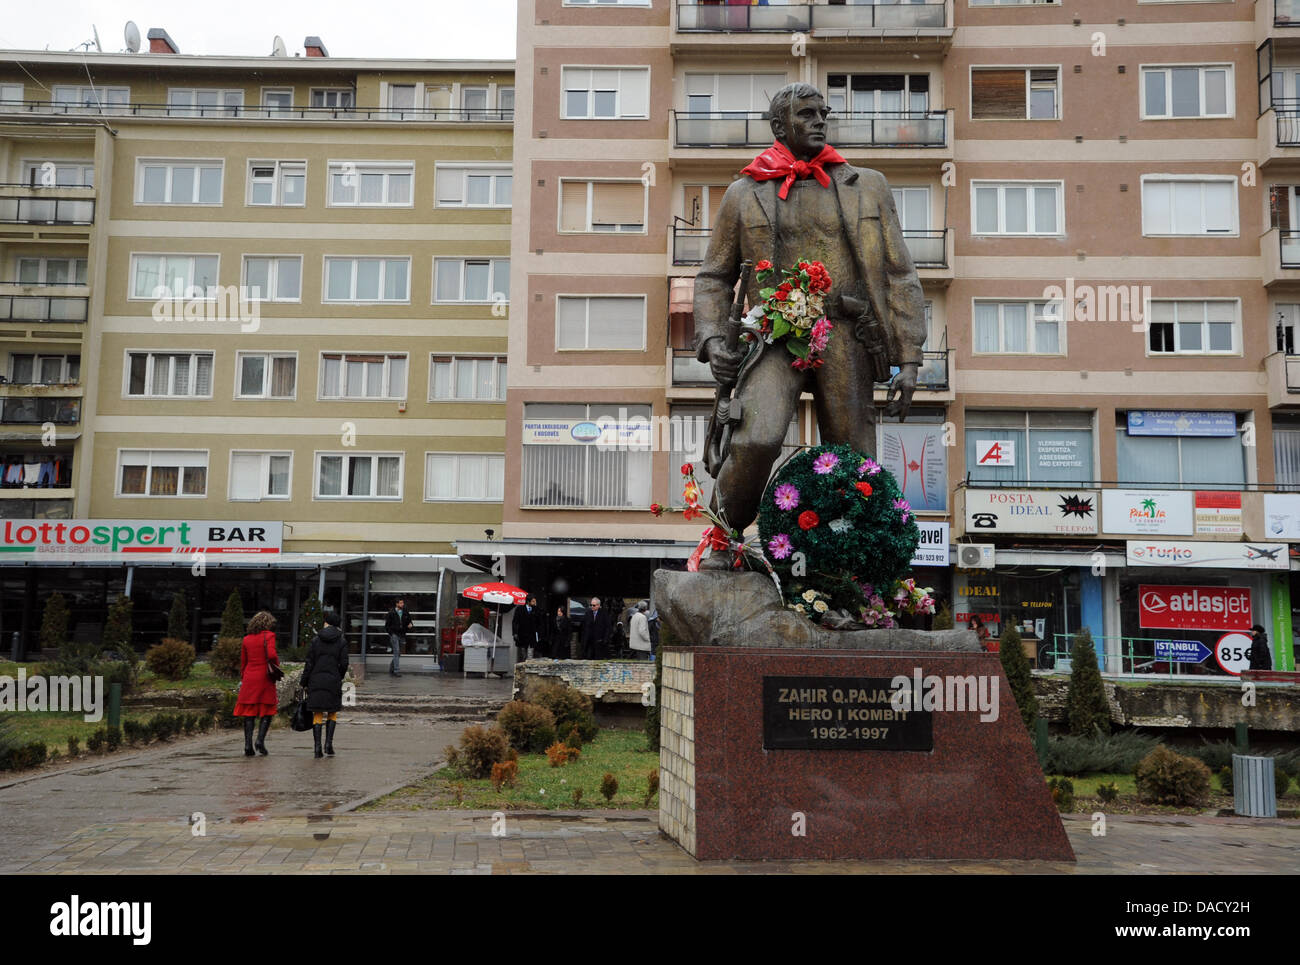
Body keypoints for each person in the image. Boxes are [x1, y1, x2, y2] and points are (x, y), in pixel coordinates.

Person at [694, 82, 926, 536]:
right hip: (772, 337)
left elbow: (900, 272)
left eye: (824, 112)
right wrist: (711, 339)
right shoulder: (744, 193)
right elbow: (713, 277)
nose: (820, 121)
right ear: (780, 126)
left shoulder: (868, 186)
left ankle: (853, 565)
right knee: (756, 437)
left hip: (846, 332)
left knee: (853, 458)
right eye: (807, 114)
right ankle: (723, 537)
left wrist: (910, 357)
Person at [301, 609, 350, 758]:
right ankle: (328, 744)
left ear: (327, 623)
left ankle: (317, 748)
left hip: (316, 679)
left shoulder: (316, 640)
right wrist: (338, 676)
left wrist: (304, 681)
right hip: (333, 680)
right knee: (332, 711)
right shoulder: (342, 641)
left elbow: (309, 662)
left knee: (317, 712)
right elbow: (344, 663)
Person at [235, 611, 280, 757]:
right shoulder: (270, 636)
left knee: (249, 711)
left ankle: (248, 744)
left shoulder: (246, 639)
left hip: (249, 676)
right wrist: (276, 666)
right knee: (266, 709)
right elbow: (272, 655)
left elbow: (243, 661)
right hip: (265, 677)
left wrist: (244, 675)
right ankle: (260, 741)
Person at [512, 595, 548, 661]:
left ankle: (528, 666)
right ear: (528, 602)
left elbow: (540, 623)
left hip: (532, 635)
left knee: (530, 653)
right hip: (522, 634)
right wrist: (515, 633)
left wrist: (540, 633)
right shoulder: (520, 609)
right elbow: (515, 622)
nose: (535, 603)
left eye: (535, 601)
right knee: (523, 654)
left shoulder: (536, 610)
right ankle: (523, 666)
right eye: (533, 601)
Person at [385, 597, 413, 677]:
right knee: (396, 652)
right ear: (397, 604)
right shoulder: (391, 612)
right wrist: (391, 634)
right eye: (400, 603)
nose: (402, 604)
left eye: (402, 603)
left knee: (398, 653)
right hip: (394, 635)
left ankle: (391, 669)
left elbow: (410, 621)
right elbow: (387, 626)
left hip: (402, 634)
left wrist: (410, 625)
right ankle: (396, 670)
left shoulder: (405, 612)